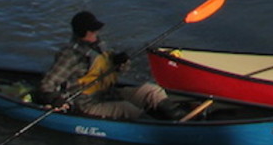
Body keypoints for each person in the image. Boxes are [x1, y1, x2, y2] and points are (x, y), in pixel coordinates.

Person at [39, 10, 179, 120]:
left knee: (151, 91)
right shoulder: (70, 55)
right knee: (128, 109)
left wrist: (120, 62)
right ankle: (158, 126)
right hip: (86, 104)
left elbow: (118, 72)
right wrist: (54, 99)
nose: (97, 33)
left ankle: (179, 117)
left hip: (109, 94)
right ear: (83, 32)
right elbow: (47, 84)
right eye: (93, 30)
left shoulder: (99, 46)